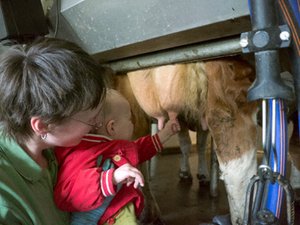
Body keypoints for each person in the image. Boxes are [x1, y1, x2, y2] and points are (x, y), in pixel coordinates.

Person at [0, 37, 109, 225]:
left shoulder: (50, 147)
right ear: (42, 125)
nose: (98, 123)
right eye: (92, 119)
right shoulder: (6, 196)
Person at [54, 89, 181, 225]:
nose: (133, 123)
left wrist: (165, 134)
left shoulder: (111, 147)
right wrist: (112, 178)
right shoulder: (83, 152)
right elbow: (67, 194)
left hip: (115, 212)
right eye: (129, 119)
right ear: (112, 127)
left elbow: (138, 149)